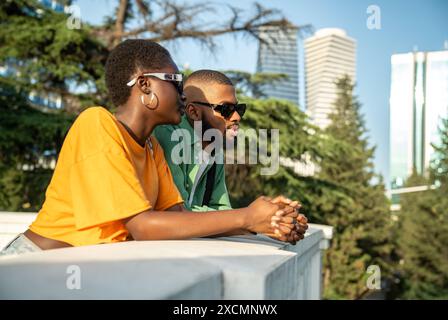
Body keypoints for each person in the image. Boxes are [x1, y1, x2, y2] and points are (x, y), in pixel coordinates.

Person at [0, 40, 298, 256]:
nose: (184, 96)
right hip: (32, 265)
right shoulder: (96, 123)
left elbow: (181, 219)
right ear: (144, 86)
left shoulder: (152, 147)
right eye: (176, 83)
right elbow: (142, 226)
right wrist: (246, 217)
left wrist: (266, 221)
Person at [154, 70, 308, 244]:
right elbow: (176, 214)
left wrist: (273, 222)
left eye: (238, 109)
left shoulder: (214, 148)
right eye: (225, 109)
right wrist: (251, 219)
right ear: (194, 112)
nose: (236, 117)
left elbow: (221, 210)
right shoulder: (168, 138)